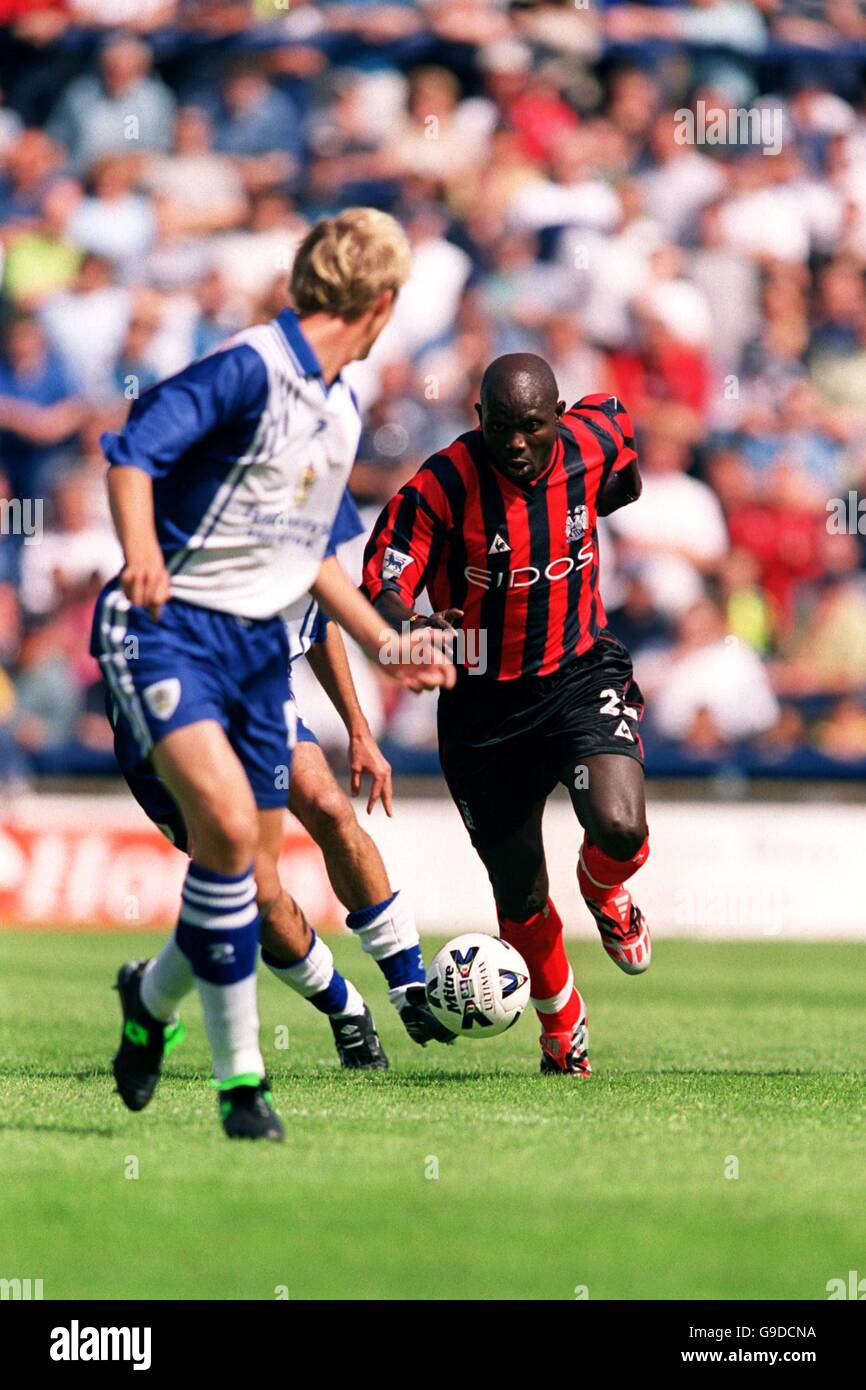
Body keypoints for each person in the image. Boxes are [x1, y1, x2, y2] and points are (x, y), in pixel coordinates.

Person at [91, 208, 454, 1141]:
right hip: (167, 631)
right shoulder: (252, 366)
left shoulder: (340, 408)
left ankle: (151, 999)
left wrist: (385, 643)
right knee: (225, 832)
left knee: (241, 862)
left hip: (257, 653)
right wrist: (141, 553)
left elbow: (316, 557)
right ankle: (241, 1086)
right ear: (378, 303)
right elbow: (132, 450)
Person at [362, 353, 651, 1077]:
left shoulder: (593, 435)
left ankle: (604, 887)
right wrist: (412, 624)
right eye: (500, 427)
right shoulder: (443, 485)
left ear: (556, 417)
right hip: (483, 708)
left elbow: (624, 455)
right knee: (519, 891)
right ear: (476, 419)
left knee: (620, 827)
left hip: (579, 674)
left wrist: (610, 496)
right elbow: (382, 580)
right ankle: (562, 1025)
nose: (516, 442)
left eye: (531, 427)